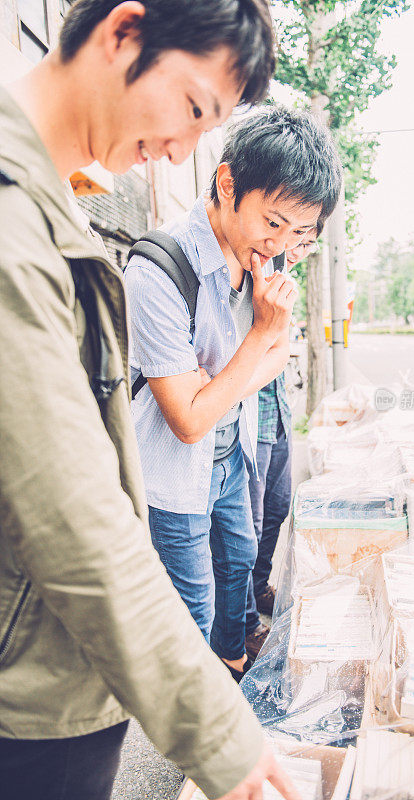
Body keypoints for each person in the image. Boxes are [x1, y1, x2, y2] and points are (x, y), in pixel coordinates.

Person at [0, 2, 301, 799]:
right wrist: (219, 732)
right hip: (28, 696)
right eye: (193, 109)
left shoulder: (51, 202)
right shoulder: (13, 223)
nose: (182, 147)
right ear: (123, 32)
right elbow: (73, 517)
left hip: (61, 664)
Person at [125, 107, 342, 681]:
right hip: (174, 478)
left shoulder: (260, 262)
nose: (281, 248)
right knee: (191, 612)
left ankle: (232, 666)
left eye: (299, 234)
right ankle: (199, 743)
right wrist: (262, 338)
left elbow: (277, 360)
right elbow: (189, 423)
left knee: (241, 567)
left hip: (232, 456)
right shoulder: (158, 269)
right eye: (273, 223)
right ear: (227, 184)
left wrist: (218, 384)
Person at [244, 226, 321, 660]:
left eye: (309, 244)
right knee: (246, 529)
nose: (298, 251)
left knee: (276, 510)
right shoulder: (255, 273)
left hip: (277, 413)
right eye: (297, 238)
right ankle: (245, 623)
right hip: (248, 420)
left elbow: (281, 350)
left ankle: (259, 588)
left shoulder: (283, 280)